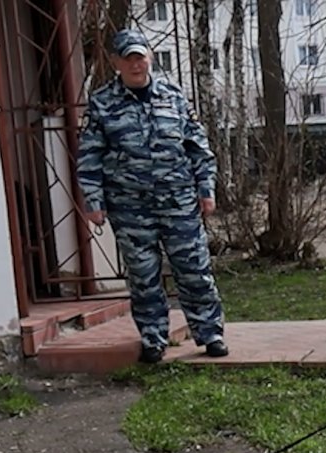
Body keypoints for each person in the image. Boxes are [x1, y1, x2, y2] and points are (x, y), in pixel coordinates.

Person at [77, 29, 228, 363]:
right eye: (128, 59)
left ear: (150, 58)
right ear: (116, 62)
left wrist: (206, 190)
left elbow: (198, 148)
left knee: (194, 269)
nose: (136, 64)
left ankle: (210, 333)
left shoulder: (174, 97)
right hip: (129, 206)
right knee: (143, 276)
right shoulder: (102, 103)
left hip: (179, 202)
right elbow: (89, 156)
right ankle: (153, 338)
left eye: (140, 57)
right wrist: (94, 202)